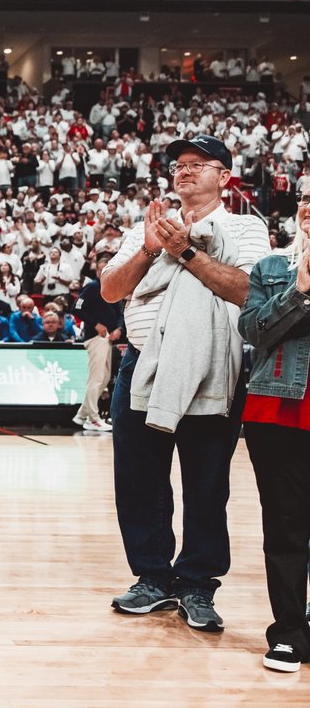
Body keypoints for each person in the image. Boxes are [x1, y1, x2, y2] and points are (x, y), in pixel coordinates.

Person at [101, 134, 268, 631]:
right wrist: (152, 251)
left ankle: (198, 584)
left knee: (206, 483)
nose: (186, 170)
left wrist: (187, 254)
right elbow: (112, 289)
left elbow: (248, 291)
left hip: (212, 366)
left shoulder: (245, 228)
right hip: (141, 364)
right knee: (139, 481)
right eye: (180, 164)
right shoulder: (147, 227)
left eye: (200, 163)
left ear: (226, 177)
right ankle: (151, 578)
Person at [239, 174, 310, 671]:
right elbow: (254, 331)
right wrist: (301, 290)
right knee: (285, 525)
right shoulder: (271, 267)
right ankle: (288, 631)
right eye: (307, 198)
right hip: (277, 410)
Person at [72, 255, 121, 432]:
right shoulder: (92, 287)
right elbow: (76, 308)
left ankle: (81, 415)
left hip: (109, 339)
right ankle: (93, 417)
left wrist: (119, 329)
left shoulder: (113, 287)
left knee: (105, 378)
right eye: (102, 268)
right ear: (98, 271)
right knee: (97, 378)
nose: (105, 270)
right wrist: (95, 324)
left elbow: (119, 313)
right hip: (96, 338)